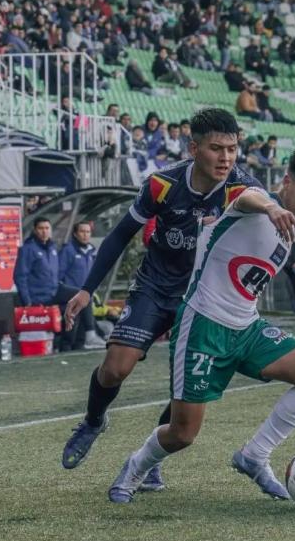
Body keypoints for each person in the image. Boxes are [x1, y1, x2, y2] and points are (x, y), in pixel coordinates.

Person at [106, 149, 295, 504]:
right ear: (286, 182)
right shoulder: (254, 204)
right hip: (202, 327)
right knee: (183, 434)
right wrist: (272, 207)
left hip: (247, 329)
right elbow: (246, 197)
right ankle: (135, 467)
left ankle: (254, 456)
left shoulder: (290, 232)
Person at [61, 109, 267, 488]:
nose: (226, 158)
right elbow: (120, 234)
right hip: (155, 288)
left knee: (185, 389)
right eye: (216, 148)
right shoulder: (162, 185)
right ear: (193, 148)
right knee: (114, 368)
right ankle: (93, 420)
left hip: (204, 298)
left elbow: (262, 211)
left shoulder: (241, 187)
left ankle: (150, 460)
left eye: (233, 149)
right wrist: (87, 289)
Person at [58, 221, 106, 351]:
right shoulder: (68, 250)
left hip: (85, 300)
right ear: (75, 234)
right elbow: (59, 274)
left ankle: (87, 339)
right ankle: (89, 334)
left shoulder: (92, 251)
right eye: (82, 231)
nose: (85, 235)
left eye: (88, 232)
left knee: (80, 338)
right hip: (71, 298)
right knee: (70, 335)